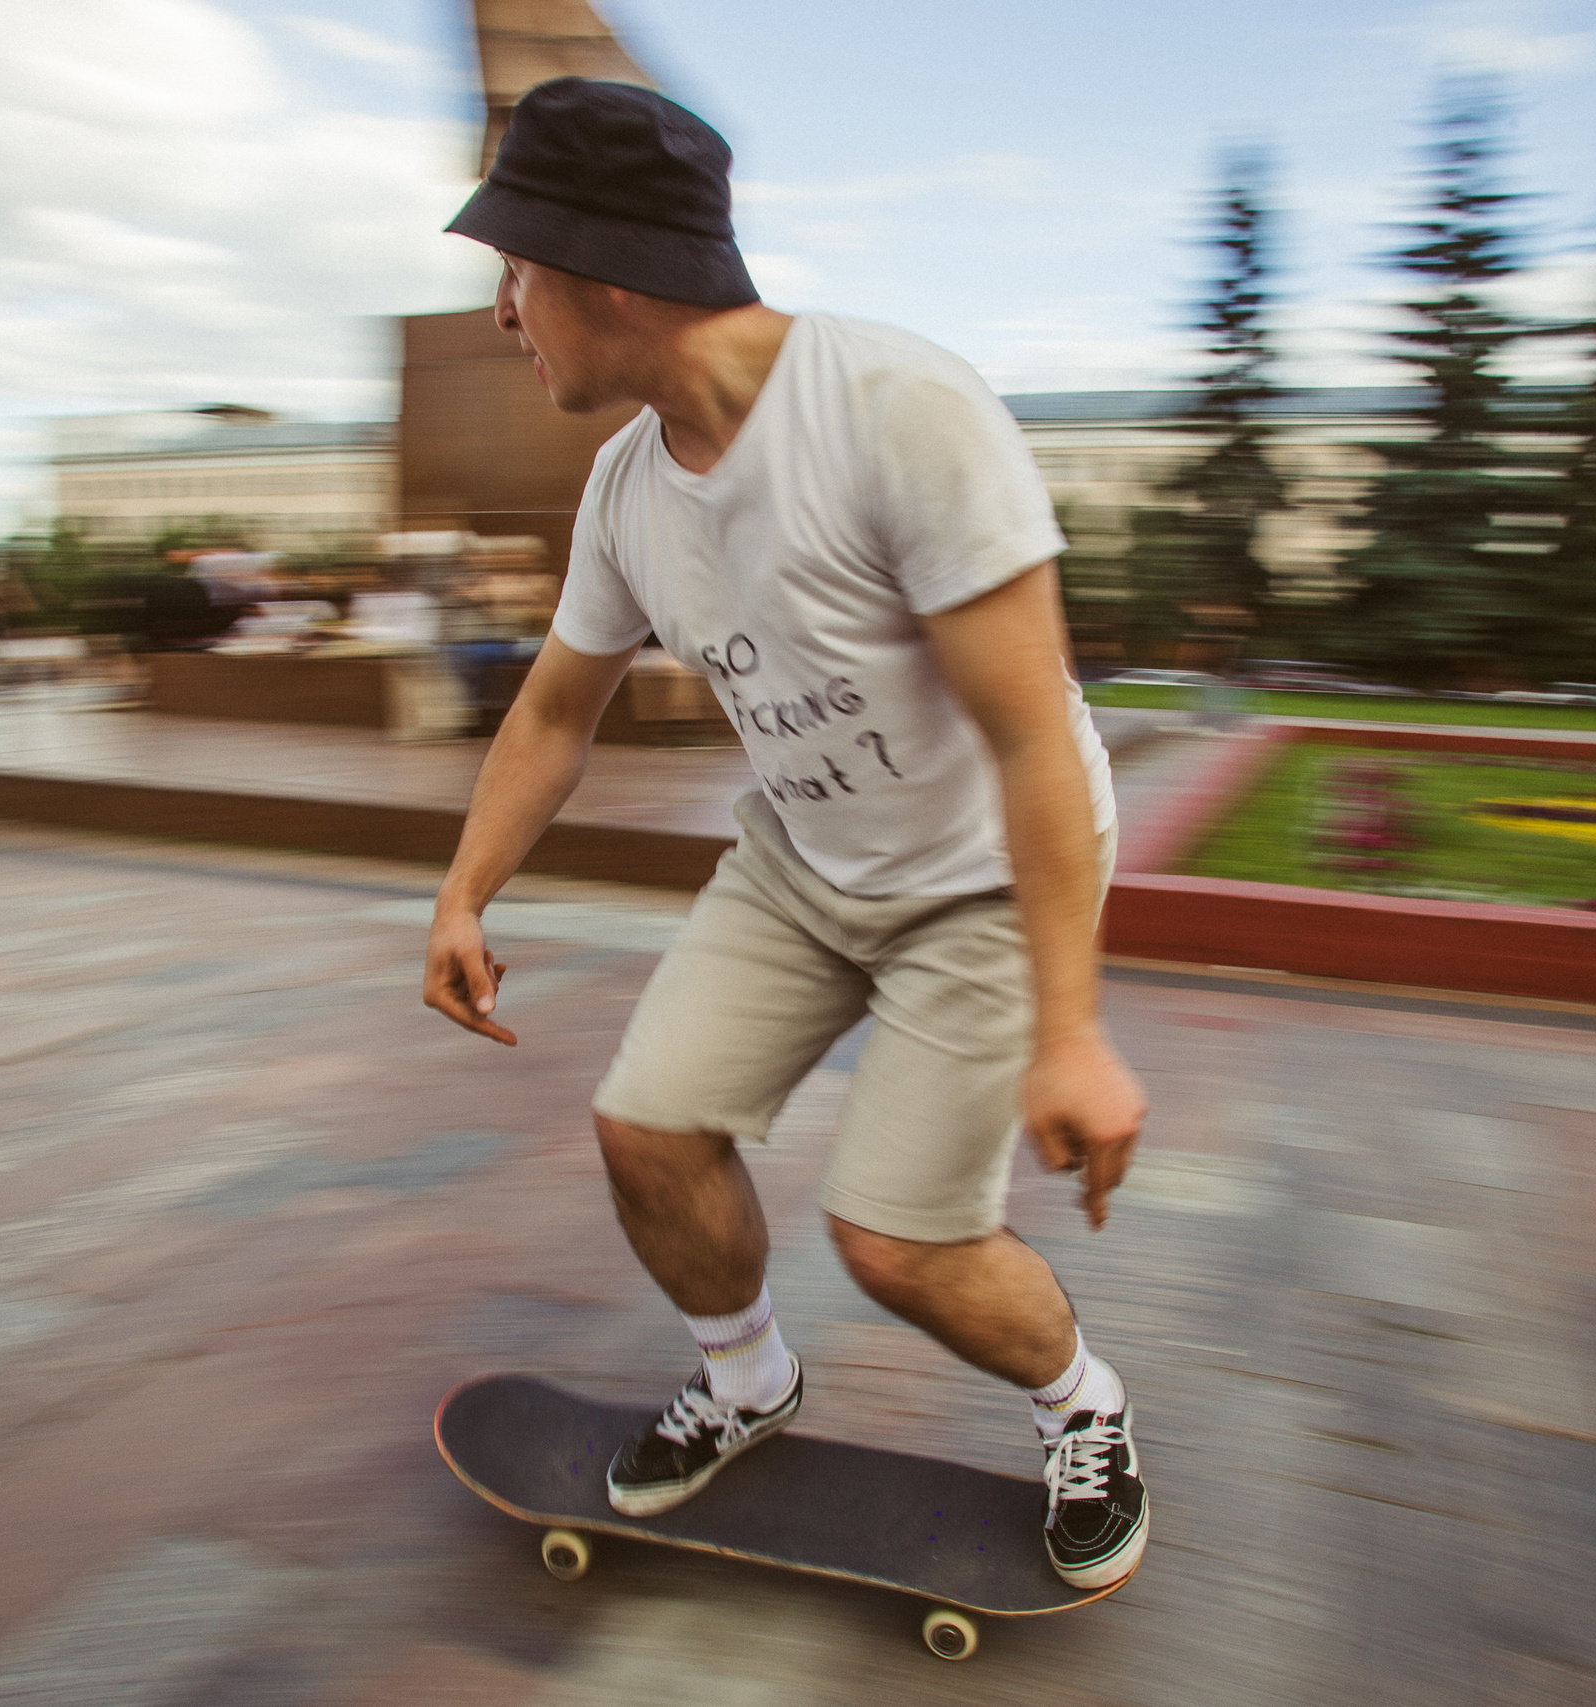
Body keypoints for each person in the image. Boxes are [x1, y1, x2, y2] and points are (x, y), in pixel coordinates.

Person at [423, 78, 1149, 1590]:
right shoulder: (626, 489)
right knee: (645, 1128)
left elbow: (1032, 738)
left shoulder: (898, 412)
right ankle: (745, 1379)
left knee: (899, 1242)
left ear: (610, 271)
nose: (505, 311)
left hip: (984, 883)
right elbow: (556, 712)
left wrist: (1068, 1032)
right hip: (805, 864)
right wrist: (462, 894)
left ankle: (1084, 1407)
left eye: (517, 269)